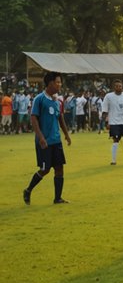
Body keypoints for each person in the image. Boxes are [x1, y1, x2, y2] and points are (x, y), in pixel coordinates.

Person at [22, 72, 72, 205]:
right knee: (45, 169)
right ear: (50, 83)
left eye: (60, 82)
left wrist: (66, 134)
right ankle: (28, 190)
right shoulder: (39, 99)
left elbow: (60, 118)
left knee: (59, 168)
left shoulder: (58, 101)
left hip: (56, 140)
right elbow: (33, 118)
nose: (60, 85)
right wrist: (41, 138)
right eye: (58, 82)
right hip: (44, 142)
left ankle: (57, 198)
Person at [101, 80, 123, 165]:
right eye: (116, 86)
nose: (118, 87)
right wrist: (105, 122)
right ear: (114, 87)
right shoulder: (108, 96)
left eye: (120, 86)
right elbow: (104, 110)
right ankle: (113, 160)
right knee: (115, 140)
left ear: (122, 87)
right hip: (113, 123)